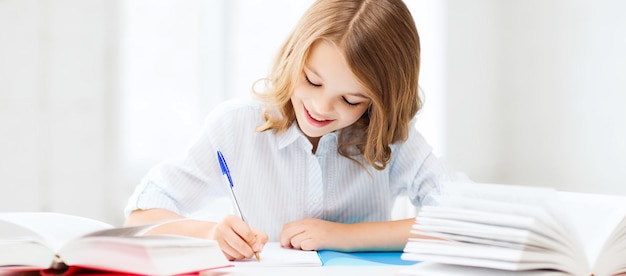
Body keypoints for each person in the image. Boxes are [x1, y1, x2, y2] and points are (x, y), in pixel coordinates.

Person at [124, 0, 467, 261]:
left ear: (379, 103)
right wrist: (210, 232)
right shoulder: (237, 126)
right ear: (293, 57)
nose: (320, 107)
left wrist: (341, 236)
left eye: (350, 100)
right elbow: (140, 218)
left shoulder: (389, 138)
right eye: (312, 80)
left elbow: (467, 222)